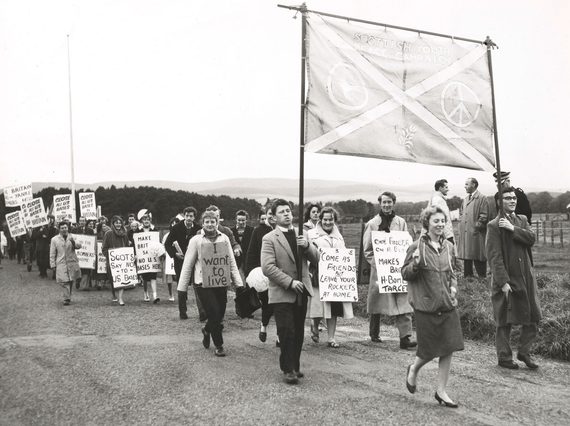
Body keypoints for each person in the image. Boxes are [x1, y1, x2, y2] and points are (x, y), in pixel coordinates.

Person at [402, 206, 464, 408]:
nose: (440, 225)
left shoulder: (449, 246)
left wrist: (453, 289)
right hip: (426, 306)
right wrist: (416, 264)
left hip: (447, 305)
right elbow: (405, 273)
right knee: (428, 351)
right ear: (426, 223)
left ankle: (441, 391)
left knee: (449, 347)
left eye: (442, 221)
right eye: (435, 221)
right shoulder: (416, 247)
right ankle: (413, 369)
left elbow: (453, 272)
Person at [261, 199, 318, 384]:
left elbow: (317, 259)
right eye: (281, 212)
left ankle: (295, 365)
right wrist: (289, 282)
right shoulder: (269, 239)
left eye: (288, 211)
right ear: (274, 217)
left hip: (301, 291)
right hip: (281, 292)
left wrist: (307, 246)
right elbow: (267, 267)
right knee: (286, 331)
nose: (286, 214)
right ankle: (287, 369)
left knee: (299, 331)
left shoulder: (304, 234)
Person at [486, 187, 542, 370]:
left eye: (514, 198)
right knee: (504, 319)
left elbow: (531, 238)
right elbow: (494, 256)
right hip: (507, 279)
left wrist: (512, 228)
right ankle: (504, 357)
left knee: (533, 316)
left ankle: (524, 352)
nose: (512, 200)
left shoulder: (522, 220)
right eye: (508, 198)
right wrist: (503, 282)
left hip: (526, 277)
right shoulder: (493, 226)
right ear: (499, 202)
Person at [177, 210, 244, 357]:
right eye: (207, 222)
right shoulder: (196, 240)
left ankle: (207, 330)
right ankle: (219, 345)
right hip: (203, 284)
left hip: (220, 282)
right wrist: (181, 289)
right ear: (202, 223)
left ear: (217, 222)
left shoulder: (224, 238)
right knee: (213, 311)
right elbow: (188, 265)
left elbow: (231, 262)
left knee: (219, 314)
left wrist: (239, 284)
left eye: (212, 221)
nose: (210, 224)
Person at [362, 191, 416, 349]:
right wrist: (378, 263)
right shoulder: (372, 224)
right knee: (377, 301)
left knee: (402, 300)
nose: (386, 205)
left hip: (397, 270)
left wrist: (404, 261)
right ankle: (374, 332)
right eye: (384, 202)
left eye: (389, 202)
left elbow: (407, 244)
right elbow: (367, 250)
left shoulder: (401, 222)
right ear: (380, 204)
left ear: (393, 203)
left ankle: (405, 337)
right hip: (379, 270)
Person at [306, 207, 354, 348]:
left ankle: (331, 337)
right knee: (318, 306)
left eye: (331, 219)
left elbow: (343, 254)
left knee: (333, 308)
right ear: (320, 219)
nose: (328, 222)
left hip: (335, 278)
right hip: (318, 275)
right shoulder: (311, 234)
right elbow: (308, 254)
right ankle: (315, 325)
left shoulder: (339, 236)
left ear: (334, 220)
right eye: (325, 219)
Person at [245, 204, 277, 344]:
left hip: (280, 273)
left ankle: (279, 336)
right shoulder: (258, 231)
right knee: (268, 303)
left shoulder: (283, 230)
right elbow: (251, 253)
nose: (271, 216)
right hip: (262, 273)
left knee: (280, 304)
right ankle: (264, 326)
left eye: (274, 213)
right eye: (269, 213)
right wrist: (250, 273)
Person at [164, 206, 201, 319]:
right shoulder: (176, 228)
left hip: (195, 262)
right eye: (187, 216)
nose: (189, 218)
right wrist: (175, 254)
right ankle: (183, 312)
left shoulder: (199, 229)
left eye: (191, 216)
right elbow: (167, 244)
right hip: (180, 262)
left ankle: (202, 312)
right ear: (184, 216)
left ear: (194, 217)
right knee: (182, 285)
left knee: (198, 285)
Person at [457, 178, 490, 278]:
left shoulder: (482, 198)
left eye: (467, 184)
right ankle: (468, 277)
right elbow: (462, 212)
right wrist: (462, 223)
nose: (465, 186)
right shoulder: (466, 199)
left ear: (474, 185)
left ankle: (482, 278)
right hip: (466, 233)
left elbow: (484, 215)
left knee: (479, 255)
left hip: (476, 233)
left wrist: (476, 227)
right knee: (467, 256)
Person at [50, 221, 82, 305]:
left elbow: (79, 246)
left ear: (68, 228)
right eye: (62, 228)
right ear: (59, 229)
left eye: (65, 227)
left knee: (70, 280)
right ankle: (66, 298)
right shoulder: (54, 239)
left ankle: (68, 296)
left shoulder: (72, 236)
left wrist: (74, 242)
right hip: (61, 262)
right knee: (64, 281)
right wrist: (52, 264)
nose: (64, 229)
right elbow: (52, 253)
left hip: (72, 261)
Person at [102, 215, 131, 305]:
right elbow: (104, 248)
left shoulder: (124, 234)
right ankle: (114, 294)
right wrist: (110, 256)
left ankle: (120, 298)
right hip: (112, 261)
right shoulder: (108, 234)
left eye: (120, 223)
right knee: (112, 279)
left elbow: (127, 247)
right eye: (116, 223)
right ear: (113, 224)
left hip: (122, 261)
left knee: (121, 278)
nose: (118, 224)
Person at [135, 209, 160, 303]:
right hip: (143, 257)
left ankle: (155, 295)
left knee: (153, 276)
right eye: (144, 219)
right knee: (145, 277)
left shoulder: (155, 230)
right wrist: (136, 254)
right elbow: (136, 244)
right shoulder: (138, 231)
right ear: (142, 221)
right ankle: (146, 293)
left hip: (153, 257)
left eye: (148, 219)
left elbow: (158, 242)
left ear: (150, 221)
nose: (146, 221)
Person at [427, 179, 454, 244]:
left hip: (444, 233)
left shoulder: (439, 198)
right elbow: (436, 217)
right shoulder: (437, 199)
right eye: (446, 187)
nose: (448, 189)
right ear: (440, 188)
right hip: (443, 234)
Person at [231, 209, 254, 282]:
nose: (241, 222)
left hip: (248, 261)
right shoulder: (230, 231)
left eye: (243, 220)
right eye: (239, 220)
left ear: (246, 220)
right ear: (236, 219)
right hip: (235, 261)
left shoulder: (252, 230)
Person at [162, 217, 180, 302]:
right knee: (169, 276)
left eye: (176, 223)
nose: (174, 225)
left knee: (178, 276)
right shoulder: (166, 235)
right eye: (172, 223)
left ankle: (181, 294)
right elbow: (164, 246)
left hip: (179, 257)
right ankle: (171, 294)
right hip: (169, 257)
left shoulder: (181, 234)